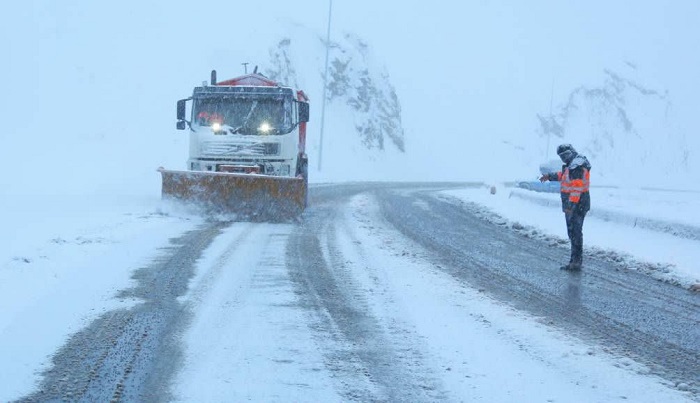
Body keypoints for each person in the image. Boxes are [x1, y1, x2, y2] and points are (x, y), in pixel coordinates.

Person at [540, 144, 592, 270]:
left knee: (575, 232)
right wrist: (549, 176)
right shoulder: (572, 164)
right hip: (575, 204)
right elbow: (563, 176)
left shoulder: (577, 165)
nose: (563, 158)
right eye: (561, 156)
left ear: (570, 152)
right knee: (573, 232)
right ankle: (574, 260)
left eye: (564, 155)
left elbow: (576, 187)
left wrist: (571, 205)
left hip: (577, 205)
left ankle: (576, 262)